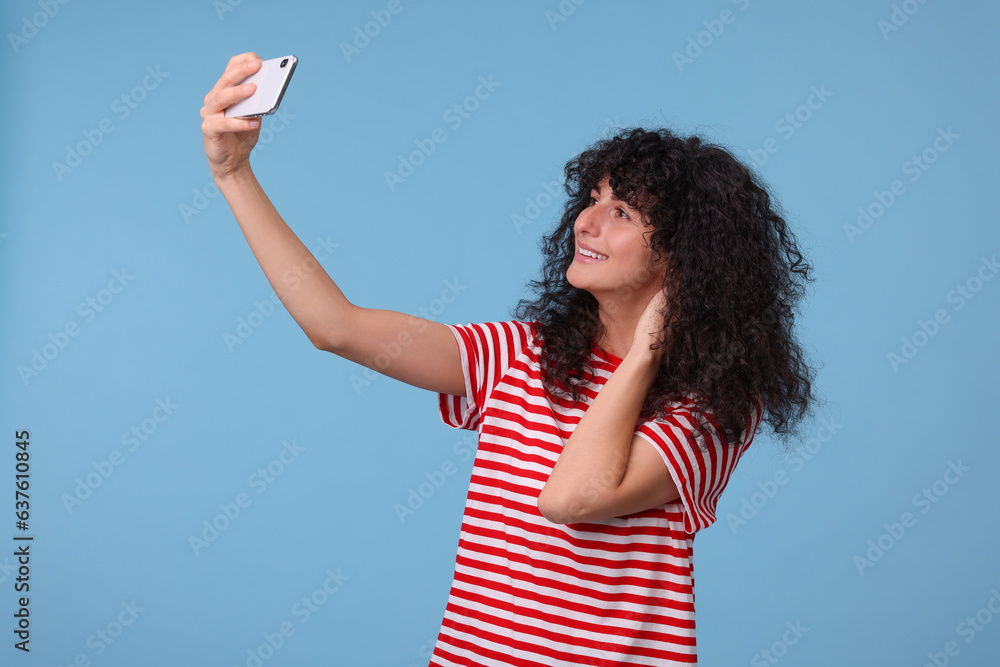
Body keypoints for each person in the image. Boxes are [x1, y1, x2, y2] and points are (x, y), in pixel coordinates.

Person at [201, 52, 817, 666]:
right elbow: (336, 328)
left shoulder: (712, 406)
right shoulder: (518, 354)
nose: (586, 222)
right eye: (593, 198)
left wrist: (643, 357)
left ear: (686, 261)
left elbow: (571, 498)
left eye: (622, 213)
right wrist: (234, 176)